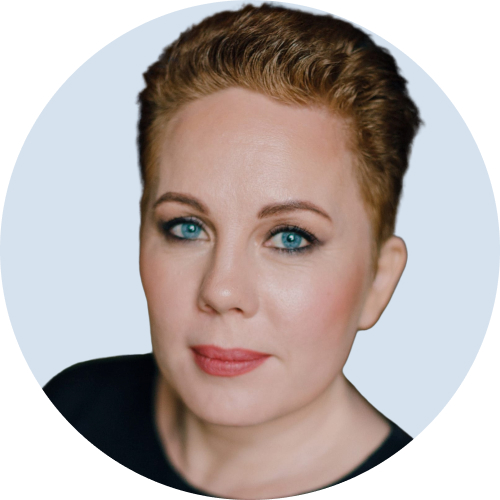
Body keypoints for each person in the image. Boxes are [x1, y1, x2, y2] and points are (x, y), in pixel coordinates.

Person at [44, 4, 421, 498]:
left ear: (379, 281)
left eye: (291, 237)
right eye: (186, 227)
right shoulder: (68, 413)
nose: (221, 291)